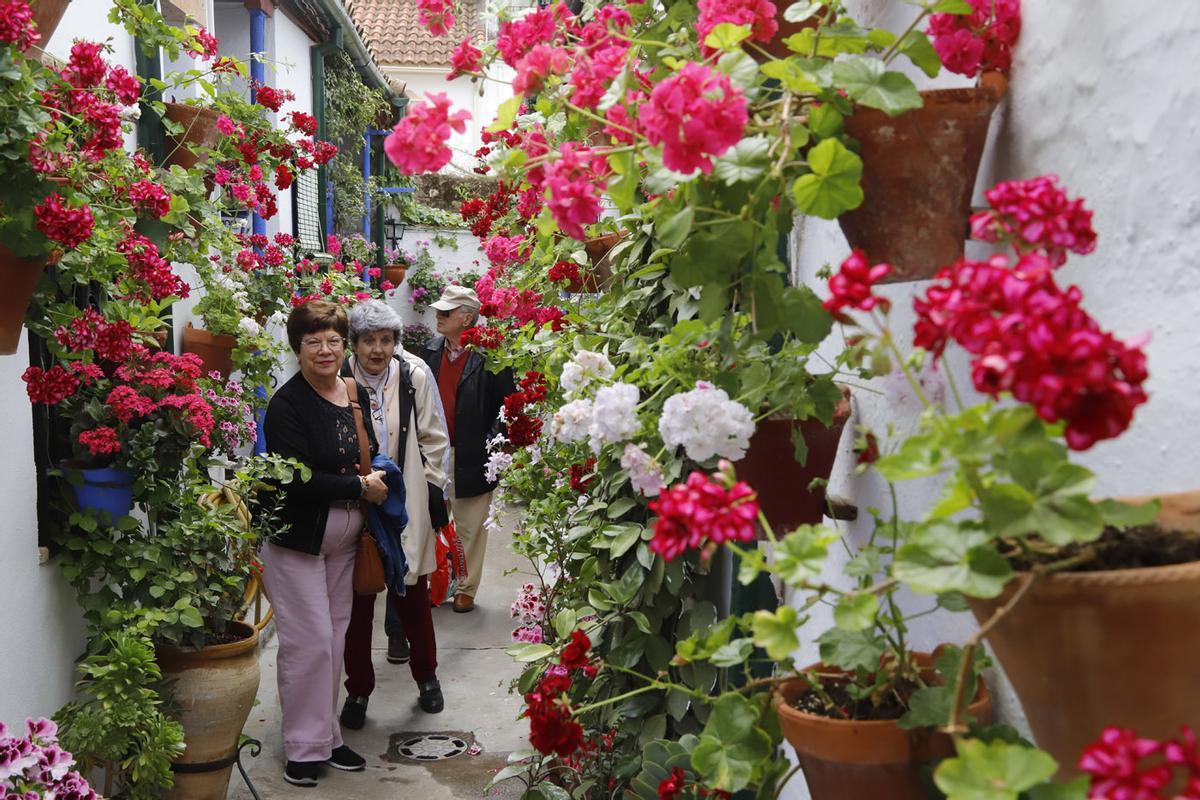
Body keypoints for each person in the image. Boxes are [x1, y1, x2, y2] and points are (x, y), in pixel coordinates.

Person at [261, 300, 387, 787]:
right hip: (297, 542)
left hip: (346, 542)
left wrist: (375, 477)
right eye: (313, 341)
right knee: (307, 644)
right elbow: (295, 478)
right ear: (297, 347)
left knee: (334, 641)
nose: (325, 349)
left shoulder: (351, 392)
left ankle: (326, 737)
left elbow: (366, 450)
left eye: (333, 339)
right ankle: (301, 747)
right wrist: (358, 487)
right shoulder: (286, 405)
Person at [339, 300, 451, 729]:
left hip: (407, 497)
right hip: (356, 498)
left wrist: (435, 488)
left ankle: (427, 678)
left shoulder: (413, 375)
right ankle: (358, 690)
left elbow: (434, 436)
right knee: (360, 597)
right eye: (369, 339)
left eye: (386, 340)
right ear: (356, 342)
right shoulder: (340, 376)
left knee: (413, 593)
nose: (378, 349)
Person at [421, 286, 514, 613]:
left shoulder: (492, 356)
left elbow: (508, 407)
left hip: (472, 453)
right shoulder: (430, 351)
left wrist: (493, 446)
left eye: (446, 312)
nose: (438, 316)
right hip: (432, 452)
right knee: (430, 519)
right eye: (440, 311)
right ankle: (436, 581)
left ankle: (466, 587)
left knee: (470, 528)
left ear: (467, 317)